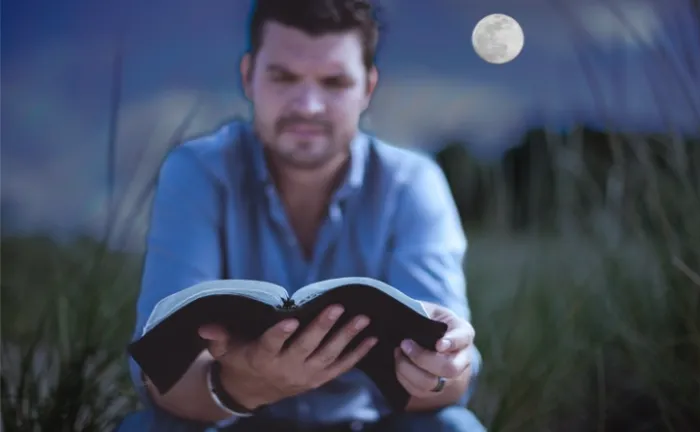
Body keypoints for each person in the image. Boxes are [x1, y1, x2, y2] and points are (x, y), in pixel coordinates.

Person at [117, 0, 485, 430]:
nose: (309, 105)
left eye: (333, 82)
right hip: (229, 422)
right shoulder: (197, 171)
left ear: (367, 88)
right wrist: (248, 385)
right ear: (248, 77)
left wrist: (442, 366)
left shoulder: (413, 183)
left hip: (367, 423)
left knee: (454, 426)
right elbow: (158, 378)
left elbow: (455, 384)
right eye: (284, 77)